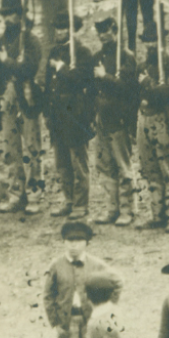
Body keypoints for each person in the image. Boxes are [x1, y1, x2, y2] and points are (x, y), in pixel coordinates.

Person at [87, 17, 144, 225]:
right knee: (105, 165)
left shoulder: (127, 58)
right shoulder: (97, 57)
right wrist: (93, 114)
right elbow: (93, 89)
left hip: (120, 119)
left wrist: (105, 76)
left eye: (107, 32)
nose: (103, 36)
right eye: (100, 32)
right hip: (102, 118)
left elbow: (128, 90)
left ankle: (128, 210)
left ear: (116, 32)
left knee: (123, 165)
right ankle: (112, 208)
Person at [0, 0, 47, 214]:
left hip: (27, 98)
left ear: (20, 16)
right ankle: (16, 193)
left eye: (12, 14)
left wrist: (8, 62)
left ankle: (34, 194)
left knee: (32, 148)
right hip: (8, 98)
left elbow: (29, 70)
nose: (8, 19)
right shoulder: (0, 43)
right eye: (5, 14)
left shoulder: (31, 41)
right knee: (9, 148)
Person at [45, 29, 101, 220]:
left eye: (63, 28)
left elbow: (80, 79)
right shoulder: (54, 52)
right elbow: (48, 84)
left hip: (75, 115)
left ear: (70, 29)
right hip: (57, 115)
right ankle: (68, 200)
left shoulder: (82, 52)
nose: (58, 32)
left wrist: (61, 67)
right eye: (56, 28)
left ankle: (81, 204)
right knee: (62, 163)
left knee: (78, 162)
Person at [136, 38, 169, 230]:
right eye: (147, 41)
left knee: (168, 167)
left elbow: (168, 94)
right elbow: (136, 92)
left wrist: (149, 84)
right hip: (145, 118)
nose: (150, 45)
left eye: (153, 41)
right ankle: (158, 214)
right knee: (150, 168)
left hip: (163, 119)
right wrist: (149, 93)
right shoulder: (143, 65)